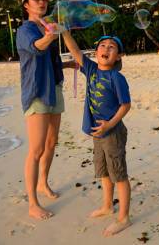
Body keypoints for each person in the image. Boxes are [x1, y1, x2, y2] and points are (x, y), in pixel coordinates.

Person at [62, 31, 133, 237]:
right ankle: (107, 206)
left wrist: (109, 124)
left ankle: (124, 217)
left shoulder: (117, 77)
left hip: (113, 132)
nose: (106, 49)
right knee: (102, 171)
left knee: (118, 174)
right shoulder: (91, 69)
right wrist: (64, 31)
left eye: (112, 47)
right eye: (103, 46)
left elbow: (126, 105)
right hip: (97, 132)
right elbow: (74, 51)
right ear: (95, 52)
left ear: (118, 56)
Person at [16, 0, 77, 220]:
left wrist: (68, 65)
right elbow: (36, 48)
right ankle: (32, 203)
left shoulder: (44, 27)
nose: (41, 3)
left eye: (44, 0)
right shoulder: (26, 29)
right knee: (36, 149)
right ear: (26, 5)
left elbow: (48, 62)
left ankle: (43, 183)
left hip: (54, 89)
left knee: (52, 143)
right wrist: (51, 35)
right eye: (36, 0)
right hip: (37, 92)